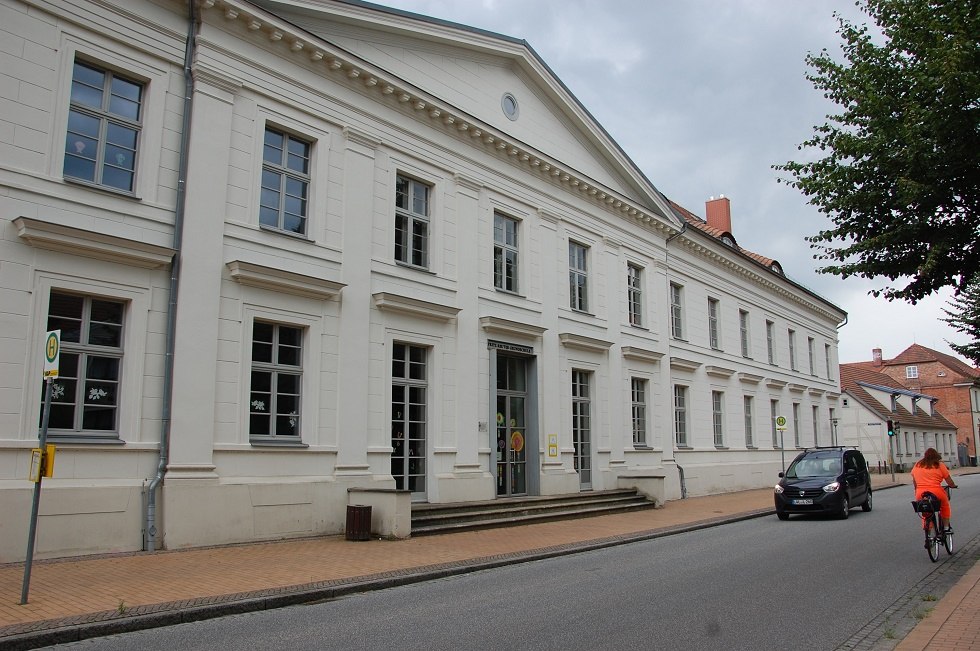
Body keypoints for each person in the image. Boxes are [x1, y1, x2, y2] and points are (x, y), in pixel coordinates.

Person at [911, 447, 957, 533]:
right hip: (936, 491)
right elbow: (949, 480)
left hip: (920, 493)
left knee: (925, 509)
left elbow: (914, 481)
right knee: (944, 506)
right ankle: (946, 527)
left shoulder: (917, 464)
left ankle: (928, 529)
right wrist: (953, 485)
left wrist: (917, 490)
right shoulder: (939, 465)